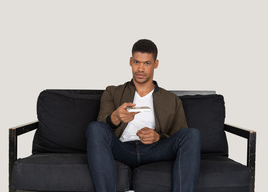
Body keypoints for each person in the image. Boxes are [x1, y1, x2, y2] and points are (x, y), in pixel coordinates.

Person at [86, 39, 201, 192]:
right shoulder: (112, 92)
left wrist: (158, 137)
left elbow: (179, 136)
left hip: (155, 150)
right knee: (94, 127)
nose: (140, 68)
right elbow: (100, 128)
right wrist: (116, 117)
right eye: (136, 62)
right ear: (130, 62)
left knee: (192, 134)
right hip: (122, 149)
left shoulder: (172, 100)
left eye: (146, 63)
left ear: (156, 64)